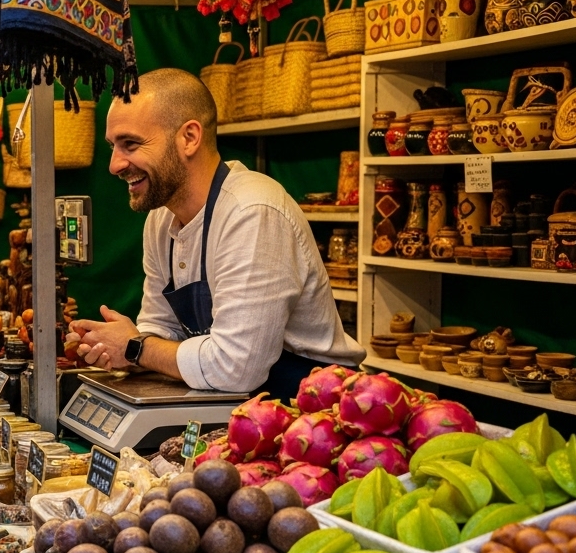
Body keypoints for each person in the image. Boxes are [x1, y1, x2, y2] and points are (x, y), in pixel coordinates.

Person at [67, 69, 364, 398]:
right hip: (240, 404)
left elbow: (237, 368)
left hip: (313, 407)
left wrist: (136, 348)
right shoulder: (161, 219)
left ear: (189, 138)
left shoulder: (251, 211)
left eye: (131, 144)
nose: (114, 165)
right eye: (113, 146)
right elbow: (160, 330)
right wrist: (118, 348)